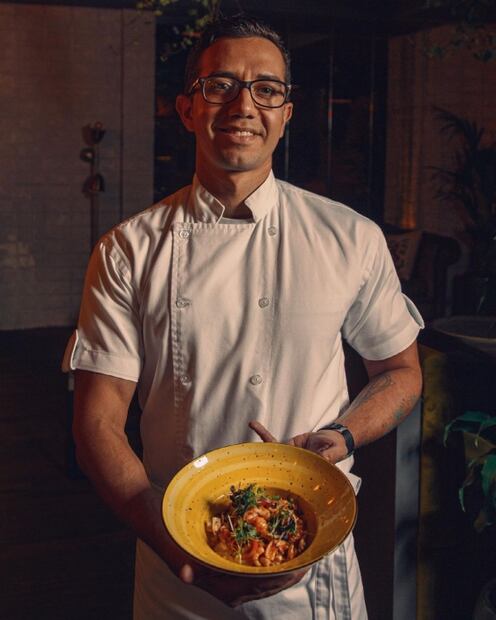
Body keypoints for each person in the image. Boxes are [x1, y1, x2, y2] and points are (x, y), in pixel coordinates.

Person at [63, 14, 423, 620]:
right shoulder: (127, 250)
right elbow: (98, 423)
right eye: (220, 85)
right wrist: (171, 544)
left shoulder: (351, 237)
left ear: (287, 113)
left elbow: (401, 371)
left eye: (267, 89)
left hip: (313, 563)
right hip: (176, 563)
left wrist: (342, 435)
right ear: (187, 109)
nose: (244, 105)